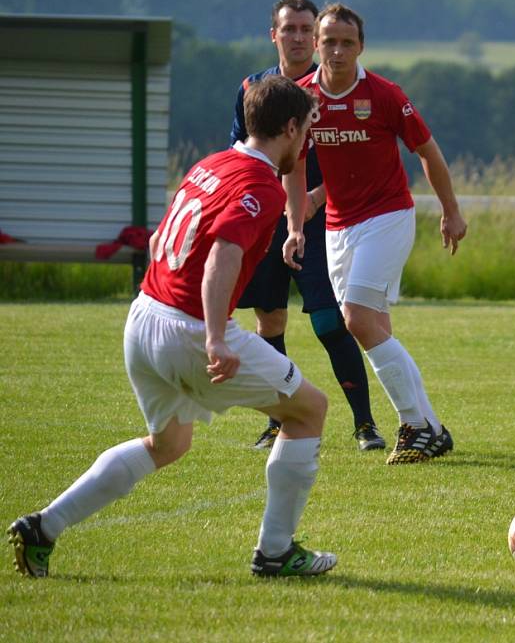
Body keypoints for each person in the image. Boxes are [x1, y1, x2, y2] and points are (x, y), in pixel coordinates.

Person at [8, 76, 337, 579]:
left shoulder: (211, 163)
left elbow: (169, 234)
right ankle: (275, 552)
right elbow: (221, 257)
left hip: (143, 316)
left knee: (168, 444)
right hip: (188, 328)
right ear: (290, 127)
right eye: (308, 130)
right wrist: (215, 337)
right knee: (309, 409)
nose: (308, 142)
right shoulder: (261, 185)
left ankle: (44, 527)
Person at [284, 2, 468, 465]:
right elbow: (292, 167)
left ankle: (416, 425)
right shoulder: (303, 98)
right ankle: (431, 429)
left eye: (348, 42)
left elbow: (428, 152)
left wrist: (450, 211)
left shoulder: (385, 95)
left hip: (388, 217)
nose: (338, 50)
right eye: (330, 41)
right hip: (337, 227)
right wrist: (294, 224)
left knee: (357, 319)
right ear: (317, 45)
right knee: (374, 327)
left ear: (361, 46)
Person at [230, 0, 383, 453]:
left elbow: (360, 162)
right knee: (269, 319)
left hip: (321, 224)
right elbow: (241, 155)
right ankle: (281, 419)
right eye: (289, 29)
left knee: (329, 322)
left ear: (314, 40)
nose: (297, 38)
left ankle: (365, 424)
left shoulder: (331, 91)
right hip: (267, 224)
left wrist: (318, 197)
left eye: (304, 30)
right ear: (273, 34)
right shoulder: (252, 88)